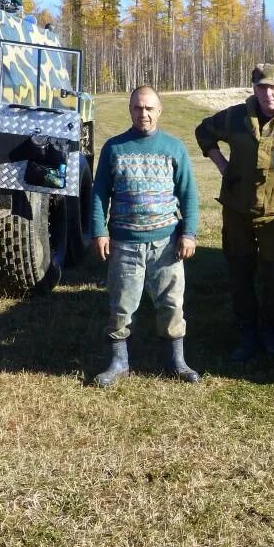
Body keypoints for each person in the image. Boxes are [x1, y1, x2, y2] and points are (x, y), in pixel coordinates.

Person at [194, 63, 274, 361]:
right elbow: (204, 131)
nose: (267, 93)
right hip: (237, 208)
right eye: (262, 87)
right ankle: (247, 332)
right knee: (240, 271)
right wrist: (222, 165)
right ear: (254, 89)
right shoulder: (236, 116)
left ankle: (272, 331)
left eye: (273, 87)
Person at [90, 86, 200, 388]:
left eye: (150, 108)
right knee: (121, 306)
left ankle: (176, 361)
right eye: (138, 108)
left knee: (171, 304)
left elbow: (189, 194)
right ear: (130, 110)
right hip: (124, 242)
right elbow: (99, 194)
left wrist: (189, 234)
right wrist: (99, 231)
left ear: (159, 111)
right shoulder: (114, 148)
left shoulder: (174, 147)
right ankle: (119, 362)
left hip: (166, 244)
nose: (144, 114)